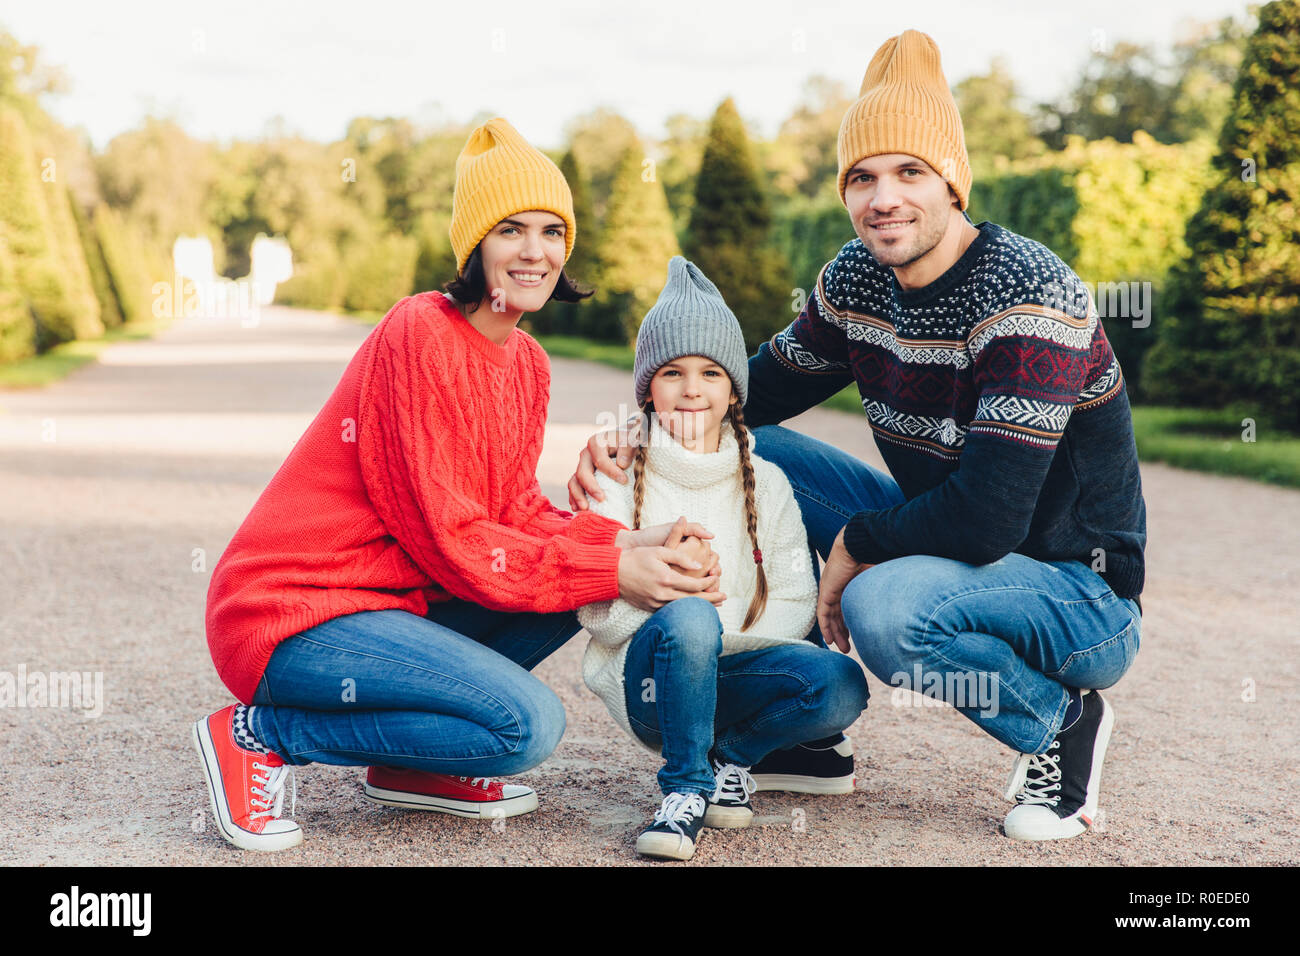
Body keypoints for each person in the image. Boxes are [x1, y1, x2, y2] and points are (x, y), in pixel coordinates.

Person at [569, 30, 1146, 843]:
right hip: (963, 546)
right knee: (747, 448)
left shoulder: (1028, 291)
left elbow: (989, 519)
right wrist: (638, 431)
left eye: (911, 172)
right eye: (863, 177)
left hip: (1077, 592)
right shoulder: (858, 277)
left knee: (882, 606)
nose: (884, 199)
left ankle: (1063, 723)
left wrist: (857, 542)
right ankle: (801, 726)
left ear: (953, 182)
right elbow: (758, 389)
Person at [192, 117, 724, 852]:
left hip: (394, 607)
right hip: (295, 616)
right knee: (525, 725)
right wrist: (611, 565)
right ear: (475, 244)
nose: (535, 252)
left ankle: (411, 766)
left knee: (582, 584)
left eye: (552, 231)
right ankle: (260, 733)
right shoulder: (420, 332)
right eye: (511, 230)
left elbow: (511, 513)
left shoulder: (528, 363)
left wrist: (633, 541)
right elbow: (451, 537)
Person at [576, 257, 869, 861]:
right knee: (687, 618)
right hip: (652, 684)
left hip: (737, 674)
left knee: (840, 684)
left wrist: (720, 639)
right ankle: (683, 790)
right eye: (672, 372)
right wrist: (678, 614)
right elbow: (594, 614)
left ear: (733, 388)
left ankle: (730, 757)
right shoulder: (615, 474)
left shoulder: (769, 481)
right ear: (646, 387)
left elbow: (794, 599)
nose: (691, 389)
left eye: (710, 372)